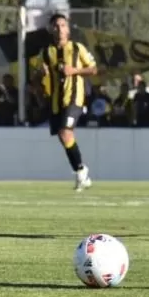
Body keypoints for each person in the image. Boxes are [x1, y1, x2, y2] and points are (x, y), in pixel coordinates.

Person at [42, 13, 97, 191]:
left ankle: (81, 171)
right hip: (56, 100)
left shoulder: (77, 48)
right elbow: (43, 74)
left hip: (74, 98)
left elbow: (94, 69)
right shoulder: (46, 52)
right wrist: (40, 76)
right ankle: (81, 171)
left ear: (68, 28)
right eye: (56, 26)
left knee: (66, 132)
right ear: (51, 29)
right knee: (63, 135)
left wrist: (73, 70)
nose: (60, 29)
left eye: (63, 25)